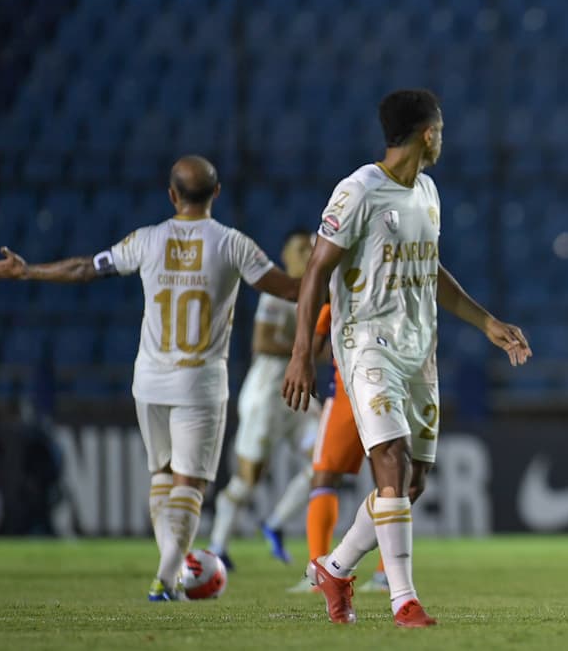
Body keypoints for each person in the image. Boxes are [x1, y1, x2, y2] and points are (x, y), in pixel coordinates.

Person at [0, 156, 300, 601]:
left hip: (150, 381)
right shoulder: (234, 244)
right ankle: (166, 576)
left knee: (161, 475)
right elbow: (289, 289)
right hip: (200, 382)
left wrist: (28, 271)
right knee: (190, 483)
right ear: (216, 193)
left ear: (172, 195)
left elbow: (85, 268)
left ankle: (170, 573)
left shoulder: (147, 239)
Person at [282, 89, 532, 628]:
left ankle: (335, 567)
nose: (443, 138)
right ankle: (404, 601)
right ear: (427, 133)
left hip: (421, 351)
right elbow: (315, 272)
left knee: (412, 483)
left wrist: (486, 321)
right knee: (389, 460)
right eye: (440, 129)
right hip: (367, 343)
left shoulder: (428, 192)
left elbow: (429, 268)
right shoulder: (358, 191)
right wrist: (302, 352)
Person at [208, 230, 319, 570]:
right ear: (285, 254)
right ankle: (217, 548)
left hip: (297, 397)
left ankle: (274, 523)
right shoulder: (277, 294)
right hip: (267, 393)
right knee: (248, 479)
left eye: (311, 247)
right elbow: (263, 342)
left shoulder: (317, 294)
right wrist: (305, 351)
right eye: (300, 248)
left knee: (324, 462)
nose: (307, 253)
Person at [286, 301, 388, 594]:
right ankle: (382, 575)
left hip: (349, 391)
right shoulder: (388, 281)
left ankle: (319, 573)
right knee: (388, 481)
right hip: (382, 389)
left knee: (328, 478)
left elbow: (316, 346)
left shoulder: (339, 291)